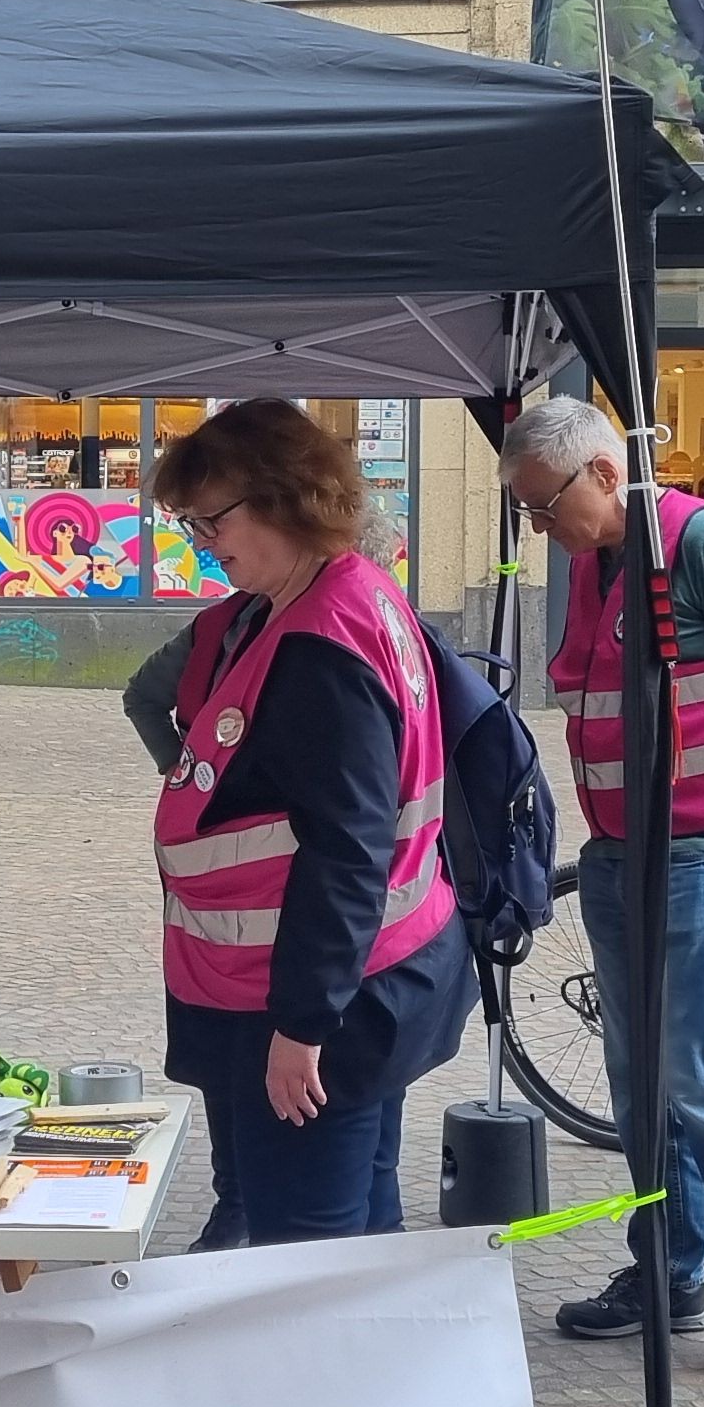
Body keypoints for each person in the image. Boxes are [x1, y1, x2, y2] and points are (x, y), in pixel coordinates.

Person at [503, 396, 704, 1373]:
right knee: (639, 1076)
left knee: (699, 1070)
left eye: (545, 505)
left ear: (606, 474)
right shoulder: (594, 559)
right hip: (623, 852)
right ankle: (667, 1271)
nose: (542, 528)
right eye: (528, 512)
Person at [147, 402, 466, 1245]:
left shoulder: (318, 642)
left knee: (305, 1254)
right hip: (375, 976)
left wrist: (301, 1025)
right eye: (190, 523)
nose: (204, 542)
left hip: (317, 1006)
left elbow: (346, 849)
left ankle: (329, 1382)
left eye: (213, 519)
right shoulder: (352, 596)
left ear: (286, 499)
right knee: (361, 1229)